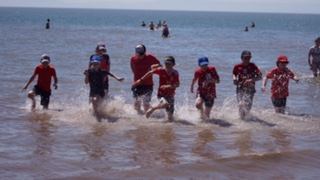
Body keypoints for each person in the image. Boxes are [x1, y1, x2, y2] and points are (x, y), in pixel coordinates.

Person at [133, 56, 179, 121]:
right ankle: (152, 109)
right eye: (166, 63)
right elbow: (150, 73)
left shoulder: (175, 73)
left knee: (170, 118)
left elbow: (178, 84)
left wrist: (169, 86)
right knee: (165, 103)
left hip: (171, 95)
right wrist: (141, 80)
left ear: (173, 64)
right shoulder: (161, 70)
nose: (167, 65)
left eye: (169, 64)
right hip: (161, 94)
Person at [130, 44, 161, 115]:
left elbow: (160, 65)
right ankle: (140, 118)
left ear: (145, 52)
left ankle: (149, 116)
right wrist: (136, 78)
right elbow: (132, 68)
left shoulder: (150, 57)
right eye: (139, 54)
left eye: (142, 54)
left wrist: (153, 66)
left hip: (148, 84)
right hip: (137, 83)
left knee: (145, 104)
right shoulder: (133, 59)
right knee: (136, 104)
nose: (140, 56)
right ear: (136, 53)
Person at [233, 50, 262, 120]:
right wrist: (234, 79)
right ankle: (241, 118)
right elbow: (234, 73)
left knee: (248, 106)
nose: (247, 60)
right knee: (240, 104)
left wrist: (251, 80)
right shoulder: (237, 66)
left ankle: (246, 117)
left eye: (249, 58)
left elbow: (260, 77)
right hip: (240, 87)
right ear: (241, 58)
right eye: (245, 58)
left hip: (250, 88)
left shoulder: (253, 66)